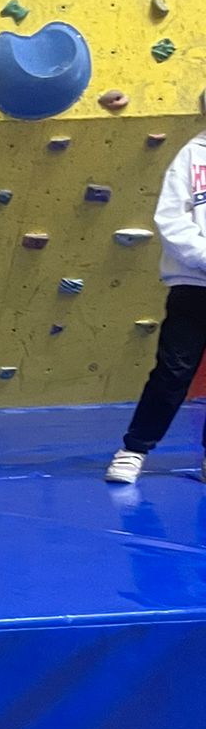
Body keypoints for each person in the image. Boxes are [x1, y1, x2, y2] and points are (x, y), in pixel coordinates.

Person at [106, 127, 206, 483]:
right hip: (194, 284)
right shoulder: (192, 155)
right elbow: (171, 218)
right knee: (173, 371)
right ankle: (134, 449)